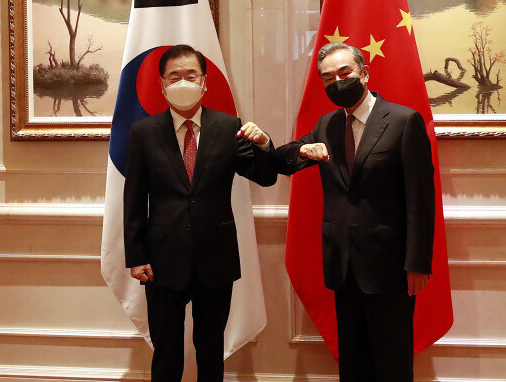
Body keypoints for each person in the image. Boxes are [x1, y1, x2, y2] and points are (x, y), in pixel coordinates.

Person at [276, 42, 435, 382]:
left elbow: (421, 200)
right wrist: (302, 149)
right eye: (328, 77)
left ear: (364, 73)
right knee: (353, 363)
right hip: (343, 267)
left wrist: (418, 263)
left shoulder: (404, 121)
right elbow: (283, 160)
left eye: (344, 72)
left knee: (391, 363)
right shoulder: (327, 124)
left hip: (390, 268)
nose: (337, 81)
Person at [124, 44, 277, 382]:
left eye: (190, 75)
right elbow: (133, 198)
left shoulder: (228, 126)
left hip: (216, 258)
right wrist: (136, 256)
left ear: (204, 82)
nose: (183, 82)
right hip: (161, 262)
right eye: (174, 77)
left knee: (211, 350)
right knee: (166, 352)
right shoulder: (144, 133)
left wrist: (264, 144)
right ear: (162, 85)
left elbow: (264, 177)